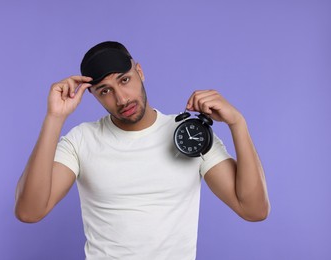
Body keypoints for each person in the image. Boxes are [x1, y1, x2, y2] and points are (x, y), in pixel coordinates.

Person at [15, 41, 270, 259]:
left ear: (140, 72)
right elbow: (29, 211)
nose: (122, 98)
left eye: (125, 80)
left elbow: (254, 209)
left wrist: (238, 124)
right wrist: (54, 118)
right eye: (105, 91)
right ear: (94, 95)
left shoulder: (190, 135)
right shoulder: (82, 140)